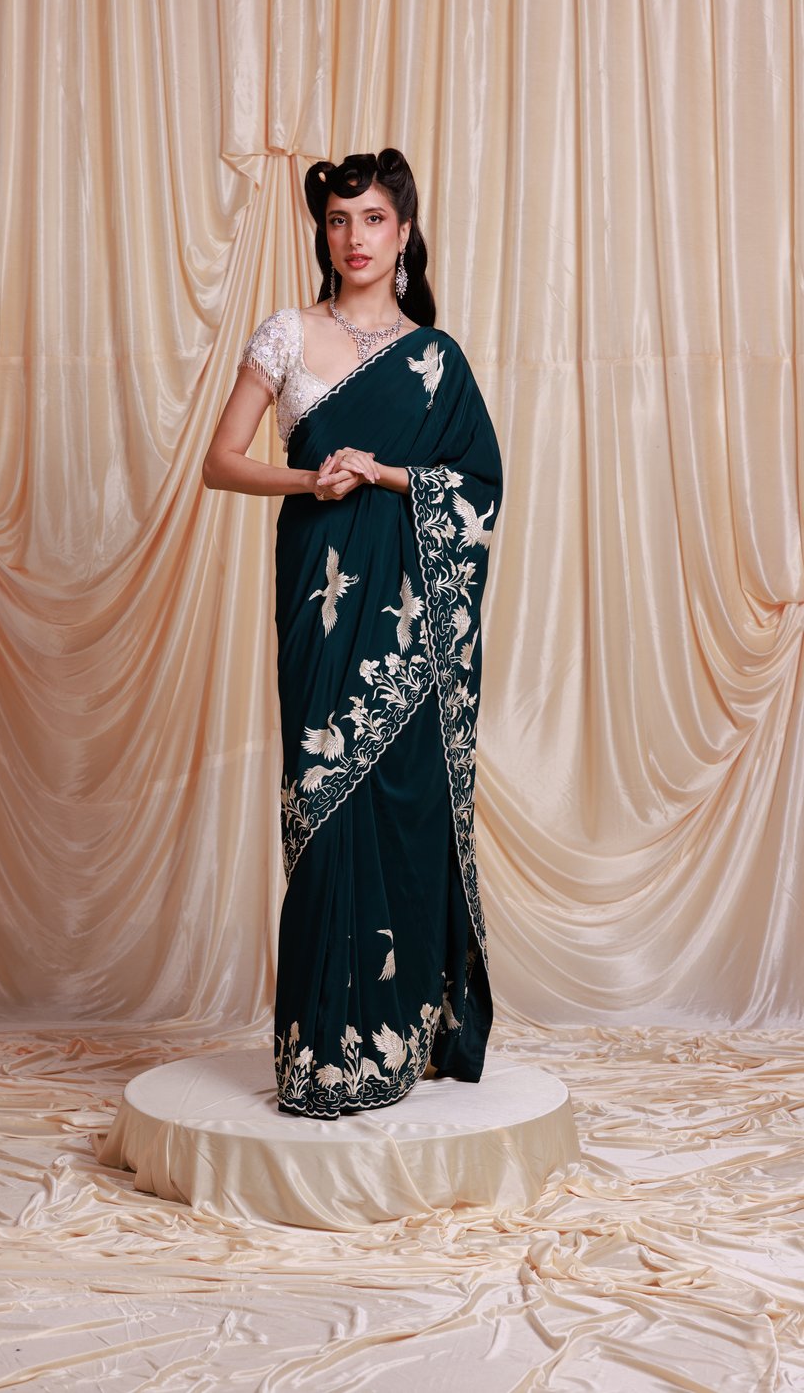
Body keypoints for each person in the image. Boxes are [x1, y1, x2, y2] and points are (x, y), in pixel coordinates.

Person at [202, 148, 503, 1118]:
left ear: (403, 233)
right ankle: (318, 1054)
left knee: (402, 803)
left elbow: (479, 488)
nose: (354, 237)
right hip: (319, 597)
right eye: (338, 220)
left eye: (373, 219)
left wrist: (382, 474)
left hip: (409, 623)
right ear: (322, 232)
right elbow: (219, 460)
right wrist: (311, 478)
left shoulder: (435, 359)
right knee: (321, 794)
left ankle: (396, 1037)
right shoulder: (288, 334)